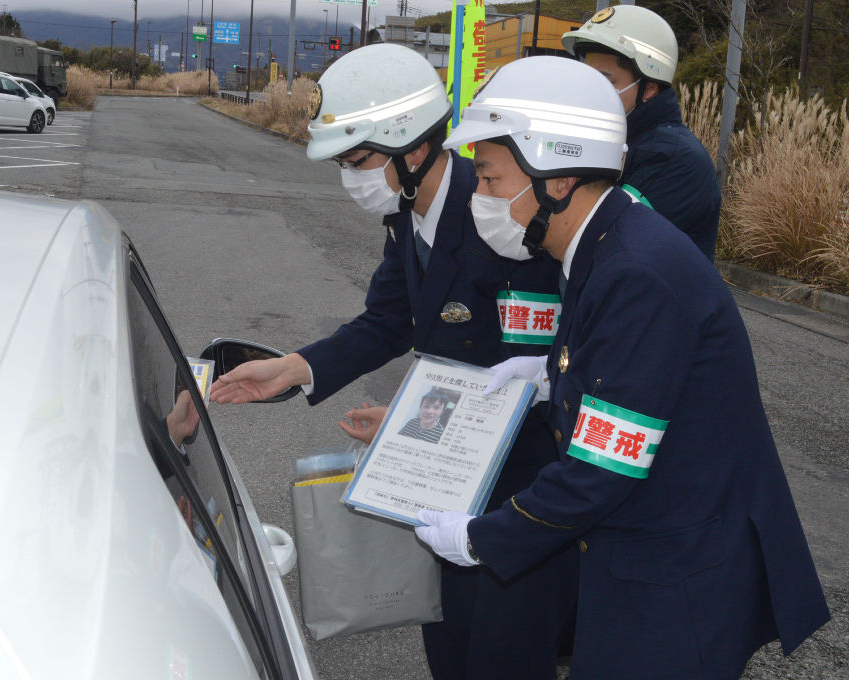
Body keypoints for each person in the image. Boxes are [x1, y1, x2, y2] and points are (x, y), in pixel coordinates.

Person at [414, 56, 830, 680]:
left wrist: (481, 538)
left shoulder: (635, 270)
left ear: (555, 178)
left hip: (677, 579)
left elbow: (601, 467)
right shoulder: (603, 242)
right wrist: (549, 375)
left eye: (493, 179)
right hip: (644, 550)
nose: (482, 197)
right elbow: (635, 372)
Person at [212, 43, 575, 680]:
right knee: (450, 641)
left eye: (357, 160)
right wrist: (294, 368)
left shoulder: (503, 219)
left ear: (411, 148)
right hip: (452, 483)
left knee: (504, 654)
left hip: (517, 488)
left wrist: (419, 422)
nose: (349, 178)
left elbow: (534, 375)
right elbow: (387, 321)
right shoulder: (409, 216)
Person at [562, 4, 722, 261]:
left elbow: (603, 239)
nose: (591, 91)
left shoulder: (674, 160)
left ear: (648, 88)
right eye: (588, 79)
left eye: (605, 81)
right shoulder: (610, 142)